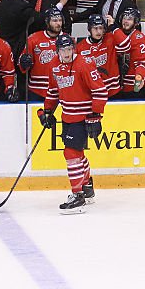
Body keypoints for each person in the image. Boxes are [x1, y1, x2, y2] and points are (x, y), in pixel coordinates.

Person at [38, 34, 107, 212]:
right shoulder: (54, 65)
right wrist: (47, 111)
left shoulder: (83, 64)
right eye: (63, 49)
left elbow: (100, 90)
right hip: (67, 115)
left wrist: (95, 116)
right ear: (58, 50)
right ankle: (87, 187)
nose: (67, 53)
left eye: (69, 49)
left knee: (70, 154)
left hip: (82, 117)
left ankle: (78, 195)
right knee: (78, 152)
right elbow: (53, 90)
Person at [19, 6, 65, 100]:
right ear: (47, 22)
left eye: (60, 20)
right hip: (37, 90)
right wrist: (24, 63)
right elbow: (22, 64)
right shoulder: (33, 38)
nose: (58, 23)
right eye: (55, 21)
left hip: (60, 89)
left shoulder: (68, 40)